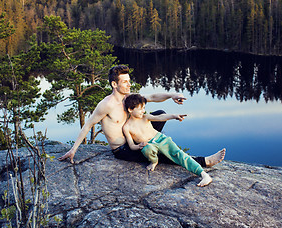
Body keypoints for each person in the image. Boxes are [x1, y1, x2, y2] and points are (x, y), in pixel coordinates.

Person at [59, 65, 225, 168]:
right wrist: (73, 150)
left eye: (129, 80)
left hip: (137, 137)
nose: (129, 84)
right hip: (123, 149)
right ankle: (204, 162)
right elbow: (88, 125)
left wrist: (172, 94)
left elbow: (152, 97)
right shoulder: (106, 105)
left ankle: (154, 142)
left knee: (159, 114)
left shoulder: (129, 98)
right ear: (114, 84)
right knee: (161, 153)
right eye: (125, 82)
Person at [123, 94, 225, 187]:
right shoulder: (127, 127)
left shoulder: (145, 117)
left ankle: (204, 175)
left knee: (179, 155)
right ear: (130, 110)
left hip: (161, 140)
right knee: (147, 149)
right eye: (140, 109)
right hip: (150, 145)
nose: (143, 111)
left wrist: (173, 116)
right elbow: (131, 146)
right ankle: (154, 161)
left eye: (144, 108)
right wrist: (139, 146)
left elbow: (160, 117)